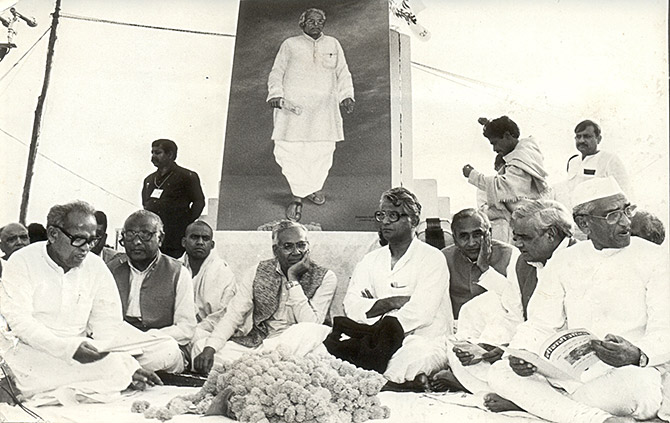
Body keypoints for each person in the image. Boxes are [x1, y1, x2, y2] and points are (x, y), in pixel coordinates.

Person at [488, 177, 670, 423]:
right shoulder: (564, 260)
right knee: (500, 373)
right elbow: (539, 323)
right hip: (573, 377)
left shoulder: (655, 257)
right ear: (584, 224)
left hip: (629, 374)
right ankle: (598, 419)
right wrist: (523, 354)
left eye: (627, 211)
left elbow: (665, 330)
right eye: (613, 215)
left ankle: (543, 406)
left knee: (640, 388)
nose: (626, 222)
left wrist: (637, 354)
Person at [0, 201, 161, 404]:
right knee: (23, 372)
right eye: (79, 240)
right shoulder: (22, 261)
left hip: (79, 353)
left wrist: (124, 363)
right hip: (31, 352)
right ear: (53, 234)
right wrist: (67, 349)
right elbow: (20, 323)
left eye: (91, 241)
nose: (86, 249)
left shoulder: (95, 266)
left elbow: (108, 326)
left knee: (160, 352)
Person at [434, 200, 576, 411]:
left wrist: (516, 352)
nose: (518, 244)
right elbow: (514, 315)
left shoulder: (577, 259)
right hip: (528, 353)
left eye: (524, 238)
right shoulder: (523, 262)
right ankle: (523, 397)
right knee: (466, 359)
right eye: (515, 237)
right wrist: (491, 348)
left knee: (505, 373)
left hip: (566, 359)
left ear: (551, 234)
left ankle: (523, 401)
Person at [343, 187, 453, 391]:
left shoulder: (432, 258)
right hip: (374, 338)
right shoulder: (370, 260)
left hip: (424, 338)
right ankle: (395, 384)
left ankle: (380, 383)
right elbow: (351, 305)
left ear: (413, 220)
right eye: (381, 215)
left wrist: (374, 307)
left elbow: (421, 313)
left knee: (413, 356)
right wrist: (389, 303)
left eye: (393, 215)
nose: (385, 221)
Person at [192, 220, 337, 375]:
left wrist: (292, 279)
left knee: (310, 335)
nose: (296, 252)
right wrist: (210, 348)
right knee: (200, 347)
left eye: (301, 245)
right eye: (288, 246)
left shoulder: (326, 277)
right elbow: (233, 315)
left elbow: (311, 324)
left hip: (298, 344)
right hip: (262, 345)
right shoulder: (257, 272)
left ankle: (256, 370)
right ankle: (270, 369)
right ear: (275, 250)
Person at [267, 8, 355, 222]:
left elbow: (342, 71)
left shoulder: (333, 44)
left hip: (324, 111)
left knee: (322, 150)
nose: (316, 24)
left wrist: (347, 95)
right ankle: (297, 195)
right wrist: (276, 94)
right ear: (302, 24)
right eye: (311, 21)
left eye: (319, 21)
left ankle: (313, 188)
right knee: (290, 151)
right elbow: (277, 71)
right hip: (294, 111)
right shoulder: (290, 44)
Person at [107, 210, 196, 373]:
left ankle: (116, 370)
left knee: (167, 351)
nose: (136, 242)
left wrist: (144, 338)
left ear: (160, 239)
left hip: (156, 345)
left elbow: (186, 329)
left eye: (145, 234)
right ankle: (123, 370)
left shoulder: (177, 272)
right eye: (130, 234)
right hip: (120, 344)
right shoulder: (111, 269)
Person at [462, 116, 550, 243]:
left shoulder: (520, 160)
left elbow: (503, 186)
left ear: (507, 135)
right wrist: (489, 125)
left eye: (495, 142)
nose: (494, 149)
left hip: (531, 222)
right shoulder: (525, 150)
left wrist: (473, 175)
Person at [441, 209, 516, 320]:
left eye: (477, 235)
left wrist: (485, 268)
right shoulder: (443, 258)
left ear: (489, 233)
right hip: (458, 327)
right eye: (464, 236)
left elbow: (515, 299)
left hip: (498, 327)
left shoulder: (510, 255)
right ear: (455, 239)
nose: (471, 243)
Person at [180, 220, 237, 363]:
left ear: (212, 245)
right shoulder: (173, 268)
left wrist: (193, 330)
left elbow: (223, 315)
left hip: (207, 332)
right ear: (184, 242)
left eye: (205, 239)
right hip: (179, 329)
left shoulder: (223, 272)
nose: (200, 242)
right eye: (194, 237)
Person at [142, 139, 205, 258]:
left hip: (175, 239)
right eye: (152, 152)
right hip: (153, 238)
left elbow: (199, 202)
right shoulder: (149, 180)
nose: (153, 156)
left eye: (158, 153)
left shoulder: (187, 176)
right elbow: (145, 203)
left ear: (170, 154)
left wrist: (186, 223)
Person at [558, 120, 632, 210]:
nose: (581, 140)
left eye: (587, 136)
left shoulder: (609, 160)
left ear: (599, 139)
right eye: (578, 136)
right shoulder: (573, 161)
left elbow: (625, 193)